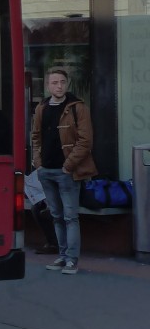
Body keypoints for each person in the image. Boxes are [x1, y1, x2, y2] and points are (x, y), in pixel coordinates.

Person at [30, 68, 97, 275]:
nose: (58, 86)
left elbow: (85, 141)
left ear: (67, 84)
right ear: (48, 86)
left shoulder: (77, 107)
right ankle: (62, 255)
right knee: (56, 216)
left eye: (62, 82)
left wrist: (68, 166)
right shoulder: (42, 107)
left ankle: (71, 260)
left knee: (70, 217)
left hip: (67, 172)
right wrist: (38, 163)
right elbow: (35, 137)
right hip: (46, 171)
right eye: (54, 82)